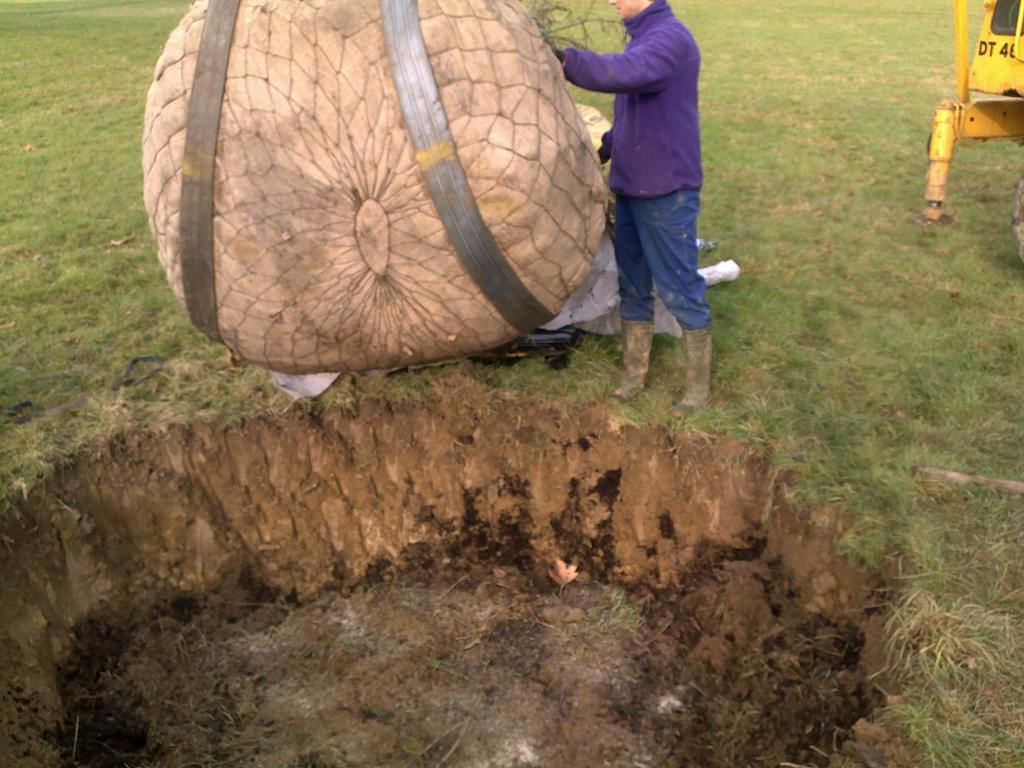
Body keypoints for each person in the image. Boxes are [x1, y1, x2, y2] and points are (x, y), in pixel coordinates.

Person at [551, 0, 712, 412]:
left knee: (679, 288)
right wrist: (602, 152)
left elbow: (624, 74)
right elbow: (630, 118)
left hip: (667, 192)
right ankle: (633, 376)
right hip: (631, 188)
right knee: (633, 285)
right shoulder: (642, 39)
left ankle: (697, 389)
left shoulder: (669, 39)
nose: (611, 0)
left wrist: (565, 60)